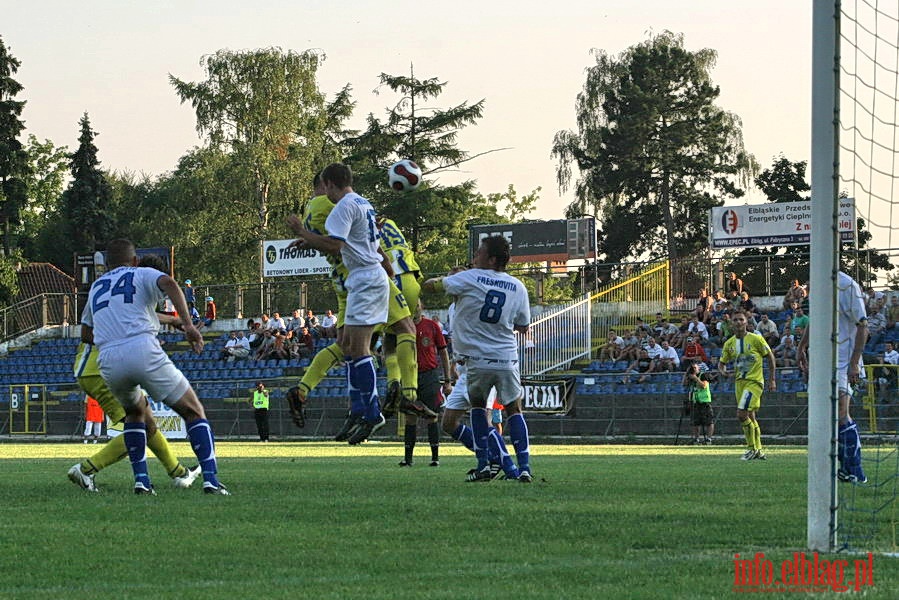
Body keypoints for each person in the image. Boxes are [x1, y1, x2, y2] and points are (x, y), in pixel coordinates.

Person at [82, 238, 228, 495]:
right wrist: (189, 325)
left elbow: (85, 332)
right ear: (135, 260)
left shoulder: (96, 287)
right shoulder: (141, 273)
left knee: (135, 414)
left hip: (109, 360)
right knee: (194, 411)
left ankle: (141, 481)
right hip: (142, 349)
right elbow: (170, 284)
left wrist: (113, 337)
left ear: (106, 265)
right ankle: (211, 480)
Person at [67, 254, 202, 493]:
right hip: (98, 367)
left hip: (94, 367)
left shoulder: (112, 287)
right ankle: (87, 468)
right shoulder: (139, 283)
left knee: (147, 422)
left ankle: (179, 473)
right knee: (140, 425)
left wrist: (171, 321)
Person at [286, 163, 390, 445]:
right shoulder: (363, 203)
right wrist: (307, 242)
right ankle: (361, 410)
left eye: (325, 187)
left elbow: (335, 245)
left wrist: (301, 231)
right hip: (370, 277)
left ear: (330, 184)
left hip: (363, 280)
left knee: (358, 349)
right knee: (349, 345)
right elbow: (360, 241)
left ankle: (372, 411)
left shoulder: (343, 206)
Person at [423, 235, 533, 482]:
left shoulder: (470, 277)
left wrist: (438, 280)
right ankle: (524, 467)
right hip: (506, 357)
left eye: (479, 253)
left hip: (476, 360)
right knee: (514, 410)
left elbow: (430, 286)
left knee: (478, 408)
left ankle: (485, 464)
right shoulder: (518, 286)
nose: (474, 258)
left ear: (491, 259)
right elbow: (523, 325)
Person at [798, 271, 868, 483]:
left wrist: (854, 362)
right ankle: (844, 469)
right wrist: (802, 345)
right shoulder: (817, 282)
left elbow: (863, 326)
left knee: (840, 412)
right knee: (826, 418)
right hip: (820, 361)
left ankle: (856, 471)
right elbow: (816, 319)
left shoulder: (848, 285)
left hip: (843, 361)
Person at [399, 302, 452, 467]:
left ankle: (435, 457)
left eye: (418, 305)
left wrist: (447, 379)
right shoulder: (400, 327)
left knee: (432, 416)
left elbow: (443, 351)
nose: (415, 308)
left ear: (421, 307)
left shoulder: (431, 326)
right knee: (410, 417)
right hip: (409, 376)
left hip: (429, 376)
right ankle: (408, 459)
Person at [718, 309, 777, 460]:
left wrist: (772, 379)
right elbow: (721, 363)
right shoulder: (729, 344)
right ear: (731, 323)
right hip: (739, 383)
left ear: (746, 322)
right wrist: (723, 371)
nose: (738, 322)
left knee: (741, 414)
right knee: (750, 416)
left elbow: (770, 357)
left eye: (741, 320)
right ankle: (758, 450)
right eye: (735, 320)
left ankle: (751, 449)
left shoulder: (756, 339)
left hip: (755, 382)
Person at [683, 360, 714, 444]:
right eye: (692, 368)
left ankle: (708, 439)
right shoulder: (690, 377)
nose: (693, 369)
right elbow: (684, 384)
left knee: (709, 421)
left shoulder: (703, 375)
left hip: (705, 401)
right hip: (695, 402)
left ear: (698, 368)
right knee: (695, 422)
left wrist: (695, 378)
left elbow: (704, 386)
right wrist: (686, 375)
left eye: (695, 368)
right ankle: (696, 439)